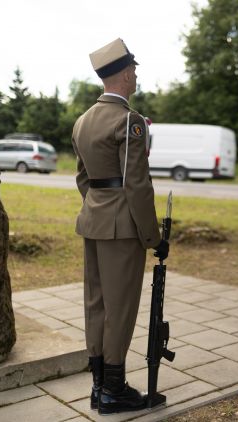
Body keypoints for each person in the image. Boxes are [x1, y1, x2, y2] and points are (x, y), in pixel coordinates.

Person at [71, 38, 169, 415]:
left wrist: (97, 208)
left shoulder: (83, 121)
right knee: (121, 308)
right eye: (134, 70)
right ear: (125, 74)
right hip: (123, 227)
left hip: (94, 221)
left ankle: (99, 385)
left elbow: (83, 178)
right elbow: (137, 184)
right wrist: (153, 236)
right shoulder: (128, 121)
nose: (136, 75)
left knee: (96, 305)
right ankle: (113, 389)